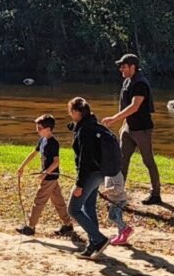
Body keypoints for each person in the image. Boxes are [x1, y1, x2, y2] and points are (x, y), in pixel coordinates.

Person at [102, 54, 162, 205]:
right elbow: (126, 106)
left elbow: (135, 106)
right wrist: (123, 124)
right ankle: (118, 193)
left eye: (124, 66)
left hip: (142, 129)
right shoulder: (127, 81)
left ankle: (155, 194)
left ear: (132, 67)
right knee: (121, 160)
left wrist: (114, 119)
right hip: (128, 127)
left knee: (148, 161)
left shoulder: (140, 83)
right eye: (120, 66)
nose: (121, 68)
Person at [16, 113, 76, 238]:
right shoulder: (42, 140)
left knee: (39, 201)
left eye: (40, 128)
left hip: (50, 177)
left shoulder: (53, 143)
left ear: (48, 129)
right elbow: (34, 153)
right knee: (58, 201)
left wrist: (45, 173)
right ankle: (67, 224)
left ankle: (30, 227)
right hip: (50, 177)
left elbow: (56, 162)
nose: (37, 130)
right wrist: (22, 166)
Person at [66, 96, 111, 260]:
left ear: (77, 112)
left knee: (73, 208)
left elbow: (85, 158)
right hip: (100, 172)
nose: (70, 114)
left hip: (90, 174)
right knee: (88, 206)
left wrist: (79, 184)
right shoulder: (91, 124)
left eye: (71, 111)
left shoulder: (85, 130)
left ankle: (99, 239)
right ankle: (93, 245)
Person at [100, 171, 133, 246]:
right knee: (118, 218)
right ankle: (122, 237)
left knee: (112, 217)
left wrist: (106, 191)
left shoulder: (116, 173)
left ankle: (126, 229)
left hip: (119, 200)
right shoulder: (108, 173)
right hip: (114, 200)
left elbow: (119, 188)